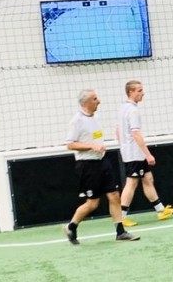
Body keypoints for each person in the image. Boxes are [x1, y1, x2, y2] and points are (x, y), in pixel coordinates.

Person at [62, 89, 139, 244]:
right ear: (86, 102)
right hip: (87, 165)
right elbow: (70, 144)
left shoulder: (96, 116)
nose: (99, 101)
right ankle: (71, 226)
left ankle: (120, 232)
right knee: (92, 203)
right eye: (95, 98)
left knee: (114, 196)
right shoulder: (77, 120)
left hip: (102, 162)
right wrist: (92, 146)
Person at [117, 80, 173, 226]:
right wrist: (148, 154)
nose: (142, 93)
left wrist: (123, 147)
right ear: (130, 92)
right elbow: (136, 133)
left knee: (148, 178)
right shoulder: (132, 110)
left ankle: (160, 210)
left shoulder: (122, 108)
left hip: (131, 152)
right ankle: (121, 217)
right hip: (135, 154)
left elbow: (118, 130)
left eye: (142, 90)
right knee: (131, 183)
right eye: (139, 90)